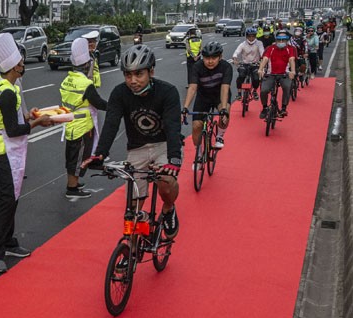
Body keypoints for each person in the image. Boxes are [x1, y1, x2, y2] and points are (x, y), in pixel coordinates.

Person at [84, 45, 182, 239]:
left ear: (151, 71)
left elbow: (173, 127)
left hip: (163, 145)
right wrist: (100, 154)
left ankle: (169, 208)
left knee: (165, 182)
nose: (133, 80)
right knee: (133, 208)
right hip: (137, 148)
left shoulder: (168, 92)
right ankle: (132, 247)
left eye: (139, 74)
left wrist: (174, 159)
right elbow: (111, 124)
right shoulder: (119, 93)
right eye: (128, 75)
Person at [0, 32, 52, 273]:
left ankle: (8, 242)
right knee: (6, 200)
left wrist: (29, 115)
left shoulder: (4, 87)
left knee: (12, 197)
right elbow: (13, 130)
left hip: (4, 147)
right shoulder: (8, 93)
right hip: (4, 149)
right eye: (21, 62)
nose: (23, 64)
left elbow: (9, 118)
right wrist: (37, 122)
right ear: (13, 67)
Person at [59, 38, 107, 200]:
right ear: (86, 65)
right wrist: (114, 106)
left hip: (70, 124)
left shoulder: (68, 80)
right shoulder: (85, 84)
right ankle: (72, 187)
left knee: (71, 156)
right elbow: (99, 103)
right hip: (82, 127)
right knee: (79, 157)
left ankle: (74, 183)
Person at [182, 41, 232, 158]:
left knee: (225, 113)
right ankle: (199, 154)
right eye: (207, 58)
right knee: (196, 126)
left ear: (220, 57)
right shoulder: (197, 67)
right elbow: (192, 88)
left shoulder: (226, 67)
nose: (210, 61)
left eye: (214, 58)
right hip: (203, 96)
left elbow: (225, 88)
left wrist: (223, 109)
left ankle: (220, 136)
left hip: (219, 95)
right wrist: (185, 108)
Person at [258, 31, 297, 118]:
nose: (281, 42)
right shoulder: (270, 48)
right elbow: (265, 59)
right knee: (264, 90)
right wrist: (260, 69)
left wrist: (293, 71)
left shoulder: (290, 49)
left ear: (287, 41)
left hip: (284, 74)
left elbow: (291, 59)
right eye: (279, 40)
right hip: (271, 74)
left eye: (283, 40)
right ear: (276, 40)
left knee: (287, 87)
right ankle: (264, 107)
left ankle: (283, 108)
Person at [232, 27, 265, 100]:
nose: (251, 38)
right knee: (241, 76)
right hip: (245, 64)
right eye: (249, 36)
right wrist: (235, 59)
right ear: (246, 36)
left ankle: (255, 91)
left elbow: (262, 53)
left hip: (255, 64)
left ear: (255, 36)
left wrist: (262, 60)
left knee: (256, 78)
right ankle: (239, 93)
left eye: (253, 36)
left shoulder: (259, 43)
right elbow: (236, 52)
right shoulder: (243, 44)